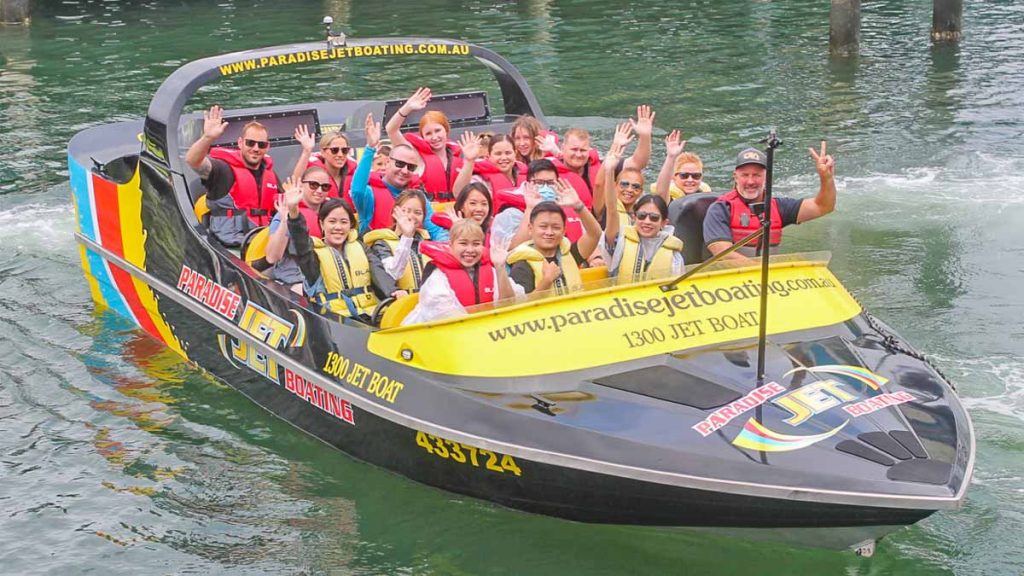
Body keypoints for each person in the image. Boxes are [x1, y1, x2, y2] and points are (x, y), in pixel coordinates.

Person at [703, 142, 837, 260]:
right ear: (735, 177)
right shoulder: (720, 208)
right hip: (734, 279)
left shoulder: (778, 206)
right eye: (745, 175)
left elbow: (823, 206)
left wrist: (826, 178)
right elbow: (721, 251)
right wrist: (758, 271)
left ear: (766, 177)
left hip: (771, 281)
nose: (750, 181)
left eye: (756, 175)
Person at [185, 105, 281, 247]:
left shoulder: (270, 174)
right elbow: (192, 161)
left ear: (267, 147)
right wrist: (208, 137)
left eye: (261, 145)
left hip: (261, 242)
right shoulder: (222, 170)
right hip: (228, 246)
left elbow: (286, 203)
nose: (255, 148)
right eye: (250, 143)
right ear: (240, 143)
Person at [282, 185, 377, 321]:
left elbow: (380, 276)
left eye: (344, 222)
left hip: (370, 317)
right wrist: (293, 212)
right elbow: (301, 242)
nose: (338, 227)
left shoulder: (362, 248)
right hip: (333, 323)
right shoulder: (313, 256)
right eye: (332, 222)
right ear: (322, 224)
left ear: (350, 225)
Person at [350, 113, 448, 240]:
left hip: (414, 254)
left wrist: (445, 246)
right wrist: (370, 148)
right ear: (387, 163)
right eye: (399, 164)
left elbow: (436, 230)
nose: (404, 170)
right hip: (379, 255)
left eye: (410, 167)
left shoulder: (419, 197)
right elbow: (357, 190)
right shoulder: (369, 194)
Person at [401, 220, 517, 325]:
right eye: (463, 243)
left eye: (476, 244)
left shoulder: (491, 270)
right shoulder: (437, 277)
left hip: (480, 332)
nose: (470, 250)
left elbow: (509, 304)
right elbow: (446, 320)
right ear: (451, 245)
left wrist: (500, 267)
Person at [600, 143, 684, 283]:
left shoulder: (673, 252)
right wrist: (609, 171)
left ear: (664, 223)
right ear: (635, 217)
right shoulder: (619, 240)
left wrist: (671, 157)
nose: (647, 221)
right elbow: (612, 209)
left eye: (654, 218)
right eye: (642, 216)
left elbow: (661, 196)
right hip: (622, 302)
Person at [507, 183, 603, 296]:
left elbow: (595, 234)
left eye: (556, 227)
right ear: (530, 229)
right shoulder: (522, 265)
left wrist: (578, 206)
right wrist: (546, 281)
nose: (549, 232)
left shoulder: (569, 253)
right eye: (543, 227)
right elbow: (520, 308)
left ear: (563, 231)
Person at [385, 87, 463, 200]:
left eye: (437, 131)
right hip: (428, 213)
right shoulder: (416, 156)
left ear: (446, 130)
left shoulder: (461, 157)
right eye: (428, 134)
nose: (434, 137)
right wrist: (407, 108)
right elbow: (391, 129)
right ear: (423, 137)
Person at [265, 168, 331, 292]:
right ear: (301, 185)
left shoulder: (332, 213)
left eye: (325, 187)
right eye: (313, 185)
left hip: (327, 278)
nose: (319, 190)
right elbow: (272, 257)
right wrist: (285, 220)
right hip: (294, 280)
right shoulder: (283, 213)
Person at [365, 189, 431, 300]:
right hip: (401, 303)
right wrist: (407, 237)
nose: (411, 216)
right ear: (395, 212)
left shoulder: (428, 243)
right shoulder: (381, 244)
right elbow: (393, 273)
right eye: (406, 211)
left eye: (418, 213)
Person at [450, 133, 526, 212]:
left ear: (515, 153)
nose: (503, 158)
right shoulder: (481, 180)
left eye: (508, 153)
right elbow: (459, 193)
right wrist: (470, 160)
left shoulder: (527, 176)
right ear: (489, 156)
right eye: (498, 154)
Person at [290, 125, 357, 209]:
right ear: (323, 152)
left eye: (344, 150)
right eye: (334, 150)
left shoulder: (355, 173)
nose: (340, 155)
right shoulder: (313, 171)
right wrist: (307, 151)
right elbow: (296, 182)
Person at [653, 130, 712, 200]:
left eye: (696, 176)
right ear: (673, 177)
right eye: (684, 175)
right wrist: (671, 157)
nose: (690, 180)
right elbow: (660, 194)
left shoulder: (707, 198)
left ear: (701, 177)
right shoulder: (668, 198)